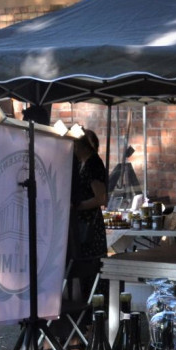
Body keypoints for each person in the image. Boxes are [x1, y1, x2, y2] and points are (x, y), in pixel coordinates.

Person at [67, 128, 108, 302]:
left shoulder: (93, 164)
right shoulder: (80, 163)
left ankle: (96, 306)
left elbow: (100, 198)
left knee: (92, 266)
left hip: (91, 224)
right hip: (81, 223)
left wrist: (77, 207)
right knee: (82, 263)